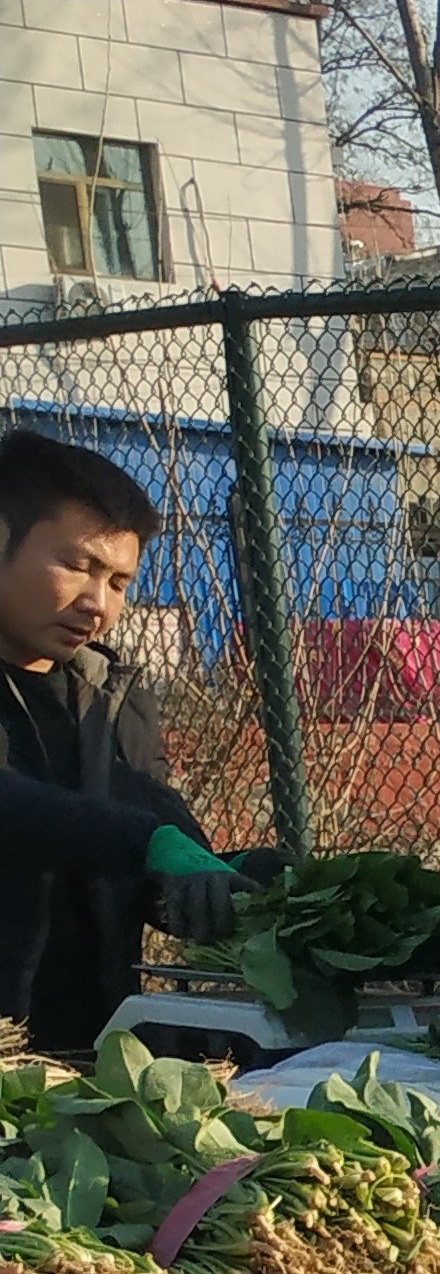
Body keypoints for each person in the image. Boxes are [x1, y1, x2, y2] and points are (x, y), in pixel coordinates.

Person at [0, 429, 243, 1056]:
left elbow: (162, 854)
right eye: (77, 567)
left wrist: (239, 886)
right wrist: (144, 843)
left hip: (95, 1056)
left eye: (119, 581)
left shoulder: (112, 697)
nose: (98, 604)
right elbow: (15, 810)